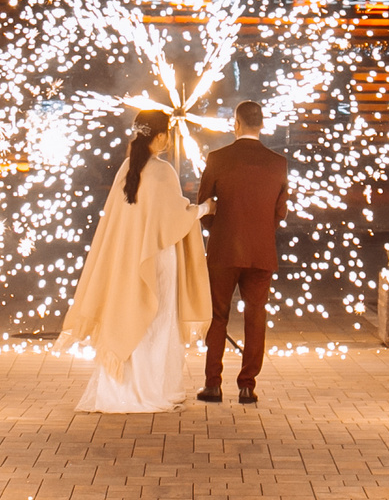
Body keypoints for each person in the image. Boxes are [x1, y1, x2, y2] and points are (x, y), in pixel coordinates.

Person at [59, 110, 210, 413]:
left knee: (130, 313)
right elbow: (173, 220)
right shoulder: (163, 171)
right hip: (157, 257)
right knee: (157, 322)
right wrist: (204, 209)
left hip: (126, 258)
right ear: (161, 136)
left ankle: (121, 389)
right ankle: (152, 389)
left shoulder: (126, 169)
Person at [196, 100, 289, 404]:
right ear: (262, 124)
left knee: (218, 316)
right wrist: (261, 230)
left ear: (235, 124)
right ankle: (247, 385)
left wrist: (220, 228)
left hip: (223, 250)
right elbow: (280, 212)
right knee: (255, 317)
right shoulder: (278, 163)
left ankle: (213, 384)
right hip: (261, 252)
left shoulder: (217, 158)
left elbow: (204, 206)